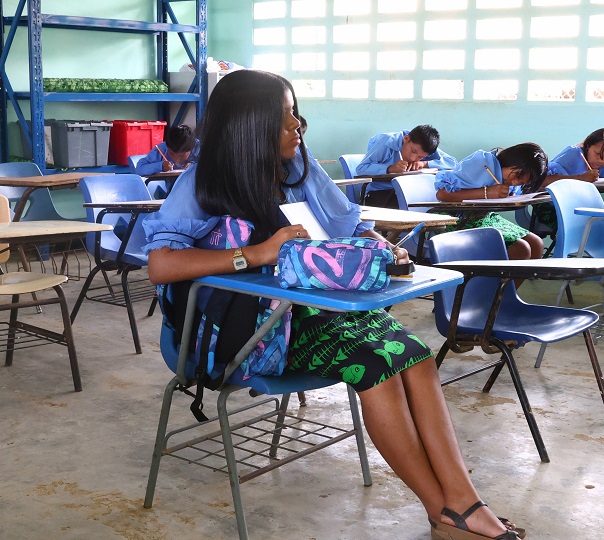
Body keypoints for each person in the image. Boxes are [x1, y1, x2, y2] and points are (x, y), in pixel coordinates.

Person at [142, 69, 524, 540]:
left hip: (314, 312)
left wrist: (382, 245)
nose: (297, 125)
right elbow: (161, 264)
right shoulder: (203, 182)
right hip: (249, 335)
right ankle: (443, 512)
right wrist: (257, 253)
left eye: (296, 114)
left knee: (416, 356)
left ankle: (464, 503)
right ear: (250, 127)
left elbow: (348, 223)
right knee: (377, 367)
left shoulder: (296, 169)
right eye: (285, 117)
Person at [433, 144, 547, 262]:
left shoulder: (508, 177)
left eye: (521, 182)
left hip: (484, 218)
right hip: (457, 218)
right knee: (521, 249)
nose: (514, 182)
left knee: (536, 243)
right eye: (517, 175)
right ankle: (488, 275)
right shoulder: (480, 163)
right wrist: (486, 192)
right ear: (513, 160)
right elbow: (442, 194)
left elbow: (512, 192)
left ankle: (507, 276)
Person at [540, 128, 604, 255]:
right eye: (597, 154)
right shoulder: (572, 154)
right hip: (552, 209)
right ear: (587, 146)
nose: (601, 161)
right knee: (603, 223)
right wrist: (580, 178)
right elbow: (542, 180)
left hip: (581, 209)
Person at [354, 125, 458, 208]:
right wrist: (390, 168)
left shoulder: (426, 146)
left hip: (410, 192)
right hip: (380, 194)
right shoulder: (387, 141)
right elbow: (361, 168)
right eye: (413, 151)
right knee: (416, 209)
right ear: (406, 138)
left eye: (421, 157)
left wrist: (425, 164)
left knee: (437, 203)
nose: (413, 158)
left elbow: (453, 163)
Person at [134, 124, 199, 176]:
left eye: (182, 155)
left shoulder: (199, 147)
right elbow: (139, 169)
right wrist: (160, 166)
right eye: (172, 153)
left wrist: (195, 166)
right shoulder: (161, 149)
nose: (177, 159)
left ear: (191, 148)